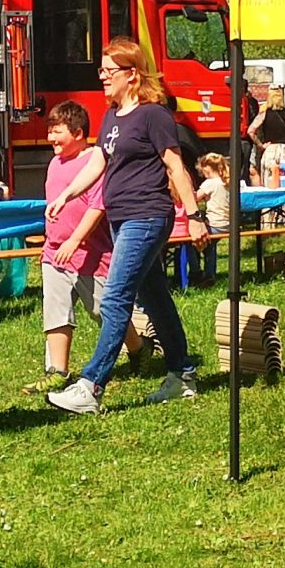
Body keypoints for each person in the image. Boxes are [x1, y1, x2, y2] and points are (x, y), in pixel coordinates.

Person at [46, 38, 202, 415]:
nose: (102, 77)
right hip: (122, 218)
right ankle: (182, 375)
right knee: (155, 298)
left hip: (147, 216)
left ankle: (91, 385)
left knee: (115, 297)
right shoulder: (113, 117)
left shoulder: (154, 115)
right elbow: (98, 161)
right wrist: (67, 194)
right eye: (101, 70)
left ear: (131, 75)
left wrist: (195, 216)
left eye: (109, 71)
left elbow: (175, 166)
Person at [37, 102, 110, 391]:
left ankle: (139, 348)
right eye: (49, 132)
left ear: (78, 132)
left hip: (90, 252)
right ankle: (59, 370)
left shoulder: (95, 160)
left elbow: (97, 207)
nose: (50, 139)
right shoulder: (55, 162)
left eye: (57, 132)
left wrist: (75, 240)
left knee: (103, 311)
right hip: (54, 250)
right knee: (55, 309)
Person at [194, 150, 234, 283]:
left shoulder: (210, 183)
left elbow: (195, 198)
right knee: (209, 246)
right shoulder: (227, 181)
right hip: (229, 224)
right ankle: (209, 274)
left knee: (193, 243)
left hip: (215, 225)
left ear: (208, 169)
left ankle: (197, 273)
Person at [248, 82, 285, 188]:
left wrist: (260, 145)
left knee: (270, 180)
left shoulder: (264, 114)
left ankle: (272, 203)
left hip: (271, 149)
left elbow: (250, 131)